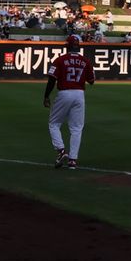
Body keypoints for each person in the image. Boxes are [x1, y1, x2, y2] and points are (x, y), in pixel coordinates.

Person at [44, 34, 93, 169]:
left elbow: (52, 79)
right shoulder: (86, 61)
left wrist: (46, 96)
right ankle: (73, 160)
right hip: (80, 94)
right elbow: (91, 81)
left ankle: (61, 151)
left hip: (64, 93)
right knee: (76, 128)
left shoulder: (60, 60)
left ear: (67, 47)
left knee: (54, 124)